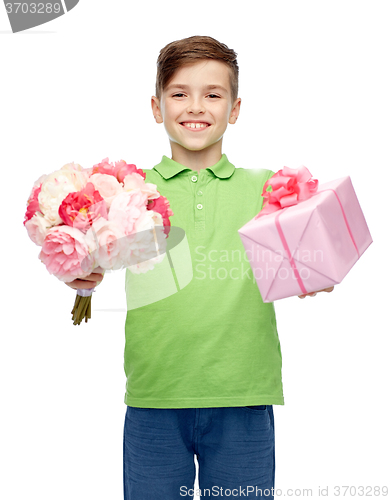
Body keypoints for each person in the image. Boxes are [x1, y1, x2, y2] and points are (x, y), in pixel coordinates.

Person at [66, 35, 333, 500]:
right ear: (156, 106)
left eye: (213, 94)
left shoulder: (267, 188)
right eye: (179, 93)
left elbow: (310, 256)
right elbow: (92, 260)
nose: (196, 107)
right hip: (155, 397)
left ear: (234, 108)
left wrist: (314, 272)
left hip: (242, 396)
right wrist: (83, 283)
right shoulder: (129, 189)